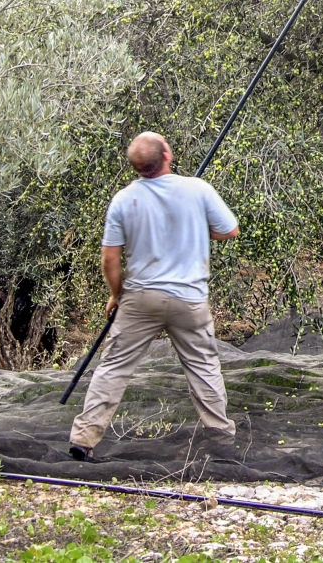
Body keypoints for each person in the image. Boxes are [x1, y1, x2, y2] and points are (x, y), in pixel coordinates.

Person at [68, 132, 241, 462]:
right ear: (167, 155)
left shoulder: (123, 200)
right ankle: (220, 436)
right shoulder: (198, 190)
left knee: (114, 367)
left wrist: (116, 295)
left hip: (140, 298)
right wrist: (195, 226)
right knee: (204, 366)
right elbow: (229, 230)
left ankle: (84, 439)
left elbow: (110, 259)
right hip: (190, 299)